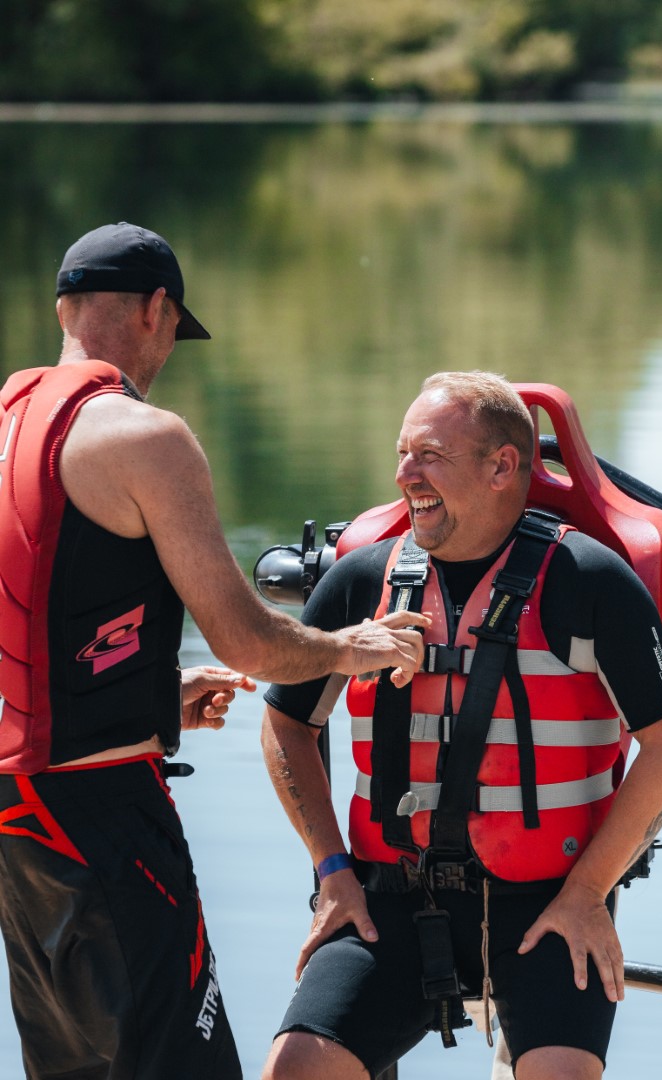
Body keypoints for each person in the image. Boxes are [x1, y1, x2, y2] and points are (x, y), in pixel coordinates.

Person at [0, 222, 426, 1080]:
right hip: (106, 815)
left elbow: (33, 623)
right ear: (157, 310)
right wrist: (350, 648)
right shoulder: (142, 436)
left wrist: (153, 697)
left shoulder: (9, 426)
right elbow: (250, 639)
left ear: (63, 309)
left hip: (18, 820)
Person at [259, 371, 662, 1080]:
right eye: (403, 453)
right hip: (388, 900)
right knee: (297, 1068)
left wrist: (590, 893)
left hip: (551, 905)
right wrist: (334, 872)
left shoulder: (589, 582)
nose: (406, 473)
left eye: (429, 454)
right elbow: (285, 725)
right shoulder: (359, 582)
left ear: (502, 467)